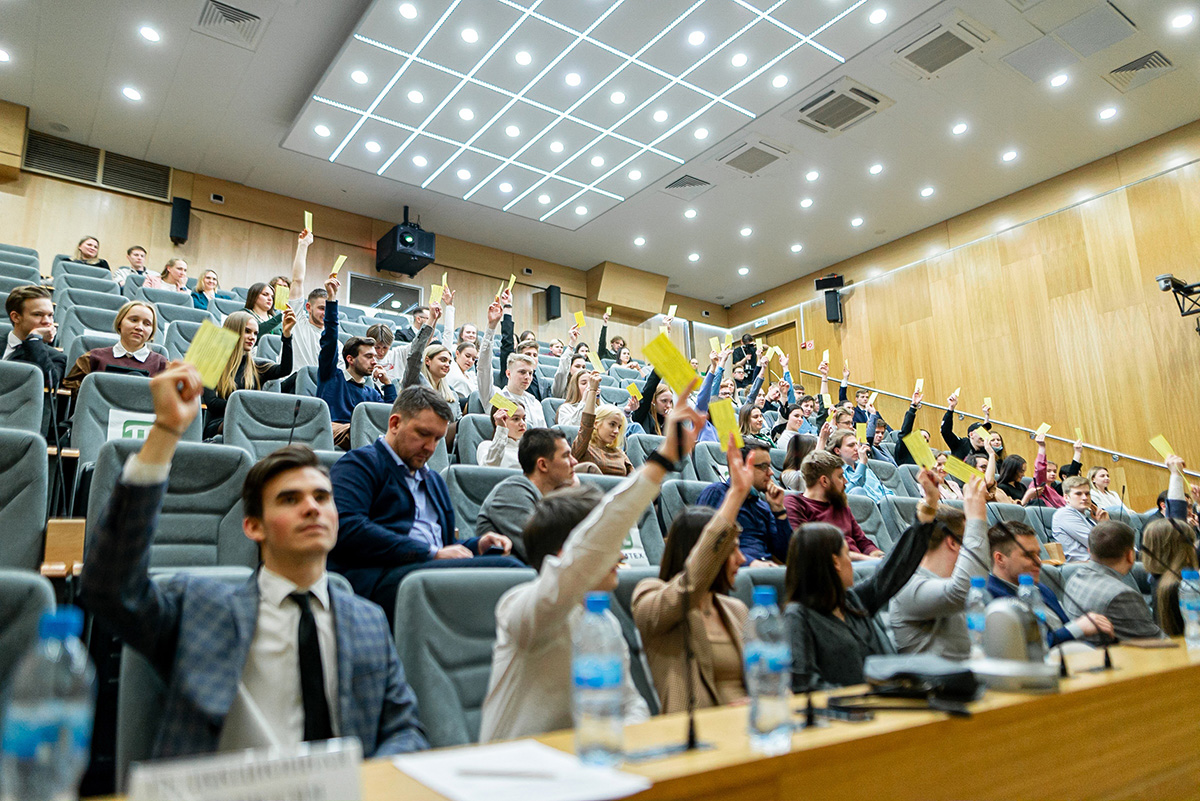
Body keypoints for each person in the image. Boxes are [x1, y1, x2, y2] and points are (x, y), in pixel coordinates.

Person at [80, 363, 428, 758]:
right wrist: (166, 433)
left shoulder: (367, 620)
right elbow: (109, 589)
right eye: (289, 499)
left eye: (322, 497)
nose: (312, 508)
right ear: (253, 527)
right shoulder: (200, 606)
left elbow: (404, 730)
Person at [479, 384, 704, 741]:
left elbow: (630, 705)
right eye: (606, 543)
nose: (617, 554)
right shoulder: (522, 608)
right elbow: (592, 544)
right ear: (569, 554)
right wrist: (661, 462)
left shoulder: (604, 624)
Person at [329, 386, 521, 619]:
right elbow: (347, 528)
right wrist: (429, 553)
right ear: (395, 423)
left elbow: (445, 545)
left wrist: (476, 545)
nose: (430, 447)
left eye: (437, 439)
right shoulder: (360, 464)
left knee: (511, 564)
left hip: (428, 571)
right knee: (515, 574)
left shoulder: (432, 480)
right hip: (382, 577)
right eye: (422, 434)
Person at [786, 467, 942, 690]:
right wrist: (860, 700)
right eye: (845, 554)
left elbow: (893, 570)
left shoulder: (852, 601)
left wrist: (928, 509)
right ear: (835, 562)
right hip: (846, 717)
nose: (853, 562)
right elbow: (804, 683)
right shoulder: (799, 616)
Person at [632, 437, 750, 713]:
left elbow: (770, 678)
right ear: (703, 550)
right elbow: (690, 586)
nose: (742, 560)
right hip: (695, 739)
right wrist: (733, 498)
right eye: (731, 550)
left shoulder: (736, 610)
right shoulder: (649, 597)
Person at [888, 478, 990, 659]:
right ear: (952, 542)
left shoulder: (945, 581)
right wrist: (976, 520)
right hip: (934, 685)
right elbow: (964, 591)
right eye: (969, 540)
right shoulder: (907, 584)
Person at [985, 521, 1112, 646]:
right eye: (1028, 555)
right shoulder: (989, 599)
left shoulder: (1041, 589)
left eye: (1038, 554)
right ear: (1000, 559)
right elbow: (1026, 649)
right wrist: (1076, 628)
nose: (1039, 562)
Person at [475, 428, 578, 564]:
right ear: (543, 464)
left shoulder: (547, 497)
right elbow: (541, 552)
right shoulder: (511, 491)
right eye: (566, 456)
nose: (574, 462)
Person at [316, 277, 396, 449]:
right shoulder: (331, 376)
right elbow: (329, 339)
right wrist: (331, 299)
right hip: (331, 430)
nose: (375, 361)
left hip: (362, 435)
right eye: (368, 356)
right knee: (364, 431)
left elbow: (389, 417)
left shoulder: (372, 393)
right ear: (350, 359)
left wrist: (388, 384)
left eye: (375, 356)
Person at [1062, 521, 1165, 643]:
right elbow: (1159, 642)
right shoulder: (1122, 595)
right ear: (1130, 555)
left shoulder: (1073, 578)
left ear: (1089, 551)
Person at [201, 310, 295, 439]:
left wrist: (287, 335)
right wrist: (247, 406)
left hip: (251, 421)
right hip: (221, 423)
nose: (252, 337)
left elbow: (284, 370)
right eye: (247, 331)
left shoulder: (257, 367)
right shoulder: (211, 363)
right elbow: (212, 403)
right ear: (233, 331)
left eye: (255, 333)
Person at [697, 441, 790, 567]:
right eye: (763, 467)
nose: (771, 472)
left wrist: (779, 511)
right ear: (741, 467)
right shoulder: (716, 493)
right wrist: (750, 563)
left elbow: (786, 555)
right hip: (731, 573)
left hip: (765, 571)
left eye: (770, 466)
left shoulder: (763, 506)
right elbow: (706, 545)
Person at [784, 450, 884, 560]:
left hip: (863, 567)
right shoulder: (795, 504)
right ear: (824, 481)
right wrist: (870, 560)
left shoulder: (839, 504)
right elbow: (812, 549)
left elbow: (863, 542)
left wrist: (880, 556)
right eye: (840, 477)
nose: (846, 481)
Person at [62, 300, 167, 391]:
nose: (139, 327)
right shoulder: (92, 359)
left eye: (147, 324)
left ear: (152, 331)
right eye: (134, 320)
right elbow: (71, 394)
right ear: (119, 323)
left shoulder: (162, 365)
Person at [478, 293, 546, 427]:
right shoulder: (497, 397)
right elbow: (483, 367)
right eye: (522, 372)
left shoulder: (534, 402)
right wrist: (491, 327)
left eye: (530, 373)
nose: (527, 377)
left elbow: (543, 434)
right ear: (508, 373)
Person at [402, 304, 461, 424]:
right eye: (443, 360)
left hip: (445, 440)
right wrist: (431, 320)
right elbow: (415, 353)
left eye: (449, 362)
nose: (447, 365)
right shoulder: (415, 380)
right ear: (428, 360)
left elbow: (458, 426)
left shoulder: (452, 394)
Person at [572, 372, 633, 476]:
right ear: (596, 424)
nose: (616, 431)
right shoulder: (583, 448)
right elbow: (586, 425)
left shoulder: (620, 454)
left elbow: (634, 481)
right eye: (612, 424)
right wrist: (592, 390)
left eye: (619, 426)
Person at [5, 285, 66, 389]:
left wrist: (34, 339)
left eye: (50, 315)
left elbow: (50, 383)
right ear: (15, 317)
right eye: (38, 314)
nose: (47, 321)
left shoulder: (55, 357)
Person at [828, 428, 893, 504]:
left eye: (856, 444)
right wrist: (862, 462)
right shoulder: (836, 473)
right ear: (837, 451)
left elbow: (888, 492)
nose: (856, 448)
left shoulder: (867, 470)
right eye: (851, 445)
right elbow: (849, 495)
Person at [1051, 477, 1109, 562]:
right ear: (1066, 498)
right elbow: (1097, 544)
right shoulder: (1064, 514)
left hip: (1100, 562)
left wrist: (1103, 523)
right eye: (1078, 494)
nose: (1085, 497)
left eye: (1087, 493)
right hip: (1084, 566)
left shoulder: (1088, 516)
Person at [941, 392, 990, 460]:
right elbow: (945, 431)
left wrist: (986, 416)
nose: (984, 435)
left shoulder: (987, 450)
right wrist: (951, 408)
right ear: (971, 434)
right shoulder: (960, 444)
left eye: (985, 432)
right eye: (981, 432)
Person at [478, 403, 525, 469]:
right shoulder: (486, 446)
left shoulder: (529, 447)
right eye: (516, 419)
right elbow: (488, 470)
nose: (523, 423)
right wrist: (501, 429)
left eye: (524, 418)